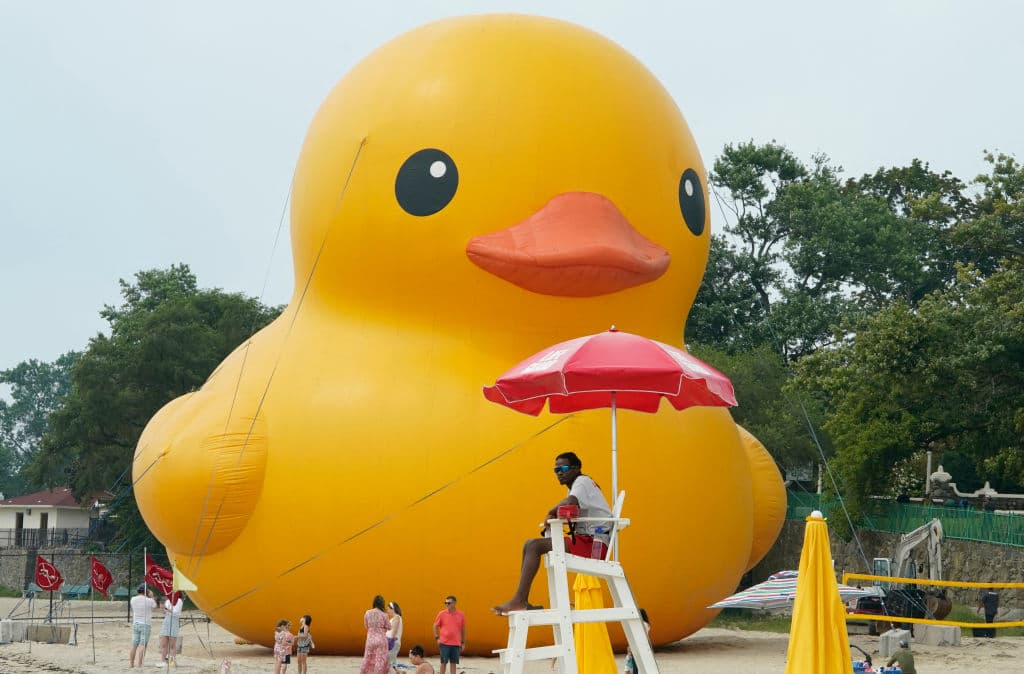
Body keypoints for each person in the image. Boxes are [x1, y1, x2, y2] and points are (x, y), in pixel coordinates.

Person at [493, 452, 612, 615]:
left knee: (534, 546)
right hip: (585, 540)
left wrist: (551, 511)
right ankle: (521, 600)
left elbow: (569, 502)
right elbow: (570, 507)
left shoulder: (582, 482)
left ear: (576, 468)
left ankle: (519, 600)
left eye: (563, 468)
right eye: (556, 470)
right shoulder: (578, 485)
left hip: (595, 545)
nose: (560, 473)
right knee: (529, 544)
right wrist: (555, 515)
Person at [433, 595, 466, 674]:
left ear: (454, 603)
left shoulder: (461, 614)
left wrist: (463, 642)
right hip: (444, 643)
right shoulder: (441, 614)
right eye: (445, 603)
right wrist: (437, 638)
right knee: (443, 662)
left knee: (453, 663)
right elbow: (435, 625)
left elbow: (463, 629)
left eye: (448, 603)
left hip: (456, 643)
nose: (447, 604)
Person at [360, 595, 391, 674]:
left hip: (370, 639)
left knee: (367, 658)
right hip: (381, 640)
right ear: (382, 604)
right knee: (380, 660)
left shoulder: (367, 612)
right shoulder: (384, 614)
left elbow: (366, 625)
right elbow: (389, 627)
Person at [129, 584, 157, 668]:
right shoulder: (149, 600)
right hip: (145, 624)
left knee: (134, 644)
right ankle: (140, 664)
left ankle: (131, 664)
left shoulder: (133, 599)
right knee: (142, 645)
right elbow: (155, 606)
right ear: (147, 591)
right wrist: (152, 596)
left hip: (136, 624)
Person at [158, 591, 183, 665]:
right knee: (163, 644)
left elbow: (175, 612)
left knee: (172, 644)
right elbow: (165, 612)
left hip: (174, 622)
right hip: (166, 621)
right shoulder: (168, 601)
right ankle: (163, 661)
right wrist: (162, 608)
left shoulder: (179, 601)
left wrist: (166, 609)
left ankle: (172, 662)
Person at [623, 608, 651, 674]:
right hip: (645, 644)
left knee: (634, 663)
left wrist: (630, 645)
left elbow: (636, 635)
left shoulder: (640, 624)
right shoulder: (647, 624)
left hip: (637, 644)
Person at [386, 601, 404, 674]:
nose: (387, 611)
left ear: (392, 609)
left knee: (389, 663)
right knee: (392, 662)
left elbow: (394, 630)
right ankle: (399, 672)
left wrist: (390, 641)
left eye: (388, 609)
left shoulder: (396, 617)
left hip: (393, 642)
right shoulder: (395, 618)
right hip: (394, 642)